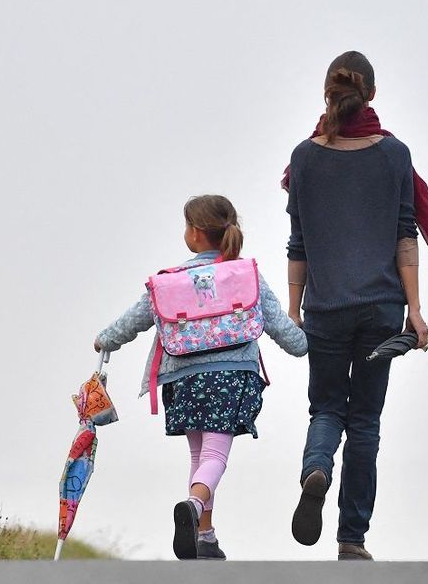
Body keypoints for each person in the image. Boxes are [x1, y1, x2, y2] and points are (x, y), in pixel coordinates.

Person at [94, 194, 307, 561]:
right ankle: (194, 506)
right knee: (215, 457)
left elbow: (134, 319)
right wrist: (309, 341)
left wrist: (104, 340)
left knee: (198, 455)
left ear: (194, 233)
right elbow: (290, 337)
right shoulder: (247, 275)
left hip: (185, 377)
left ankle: (205, 535)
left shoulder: (171, 282)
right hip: (231, 376)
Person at [285, 51, 428, 561]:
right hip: (381, 310)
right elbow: (405, 236)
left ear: (327, 93)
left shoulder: (303, 159)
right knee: (365, 420)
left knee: (326, 407)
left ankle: (316, 468)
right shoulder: (395, 156)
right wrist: (415, 310)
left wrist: (295, 308)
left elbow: (298, 243)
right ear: (371, 94)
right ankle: (352, 539)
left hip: (326, 308)